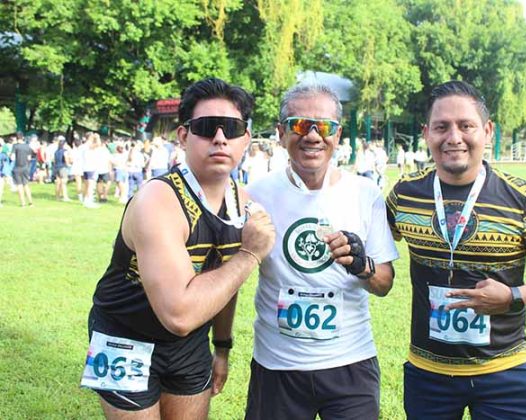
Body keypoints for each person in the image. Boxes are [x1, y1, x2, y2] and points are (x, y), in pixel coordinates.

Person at [80, 77, 276, 419]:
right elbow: (179, 315)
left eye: (231, 128)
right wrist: (249, 254)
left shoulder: (241, 202)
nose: (220, 138)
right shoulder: (157, 200)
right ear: (183, 136)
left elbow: (225, 283)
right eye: (206, 127)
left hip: (190, 343)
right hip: (125, 334)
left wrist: (222, 347)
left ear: (245, 139)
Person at [385, 80, 526, 420]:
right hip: (428, 373)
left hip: (504, 371)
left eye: (466, 126)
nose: (454, 137)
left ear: (487, 131)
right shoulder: (406, 194)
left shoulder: (520, 197)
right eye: (441, 127)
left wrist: (513, 296)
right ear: (426, 133)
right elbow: (374, 246)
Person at [245, 83, 398, 420]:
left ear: (337, 135)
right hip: (277, 366)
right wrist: (222, 346)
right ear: (281, 133)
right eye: (300, 124)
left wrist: (361, 264)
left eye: (324, 127)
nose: (313, 136)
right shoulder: (255, 196)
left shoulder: (365, 193)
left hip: (350, 364)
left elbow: (385, 283)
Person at [11, 133, 34, 207]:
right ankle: (30, 202)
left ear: (16, 138)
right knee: (26, 185)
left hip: (17, 167)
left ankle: (23, 203)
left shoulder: (15, 146)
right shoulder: (27, 146)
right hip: (25, 167)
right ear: (23, 137)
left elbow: (12, 158)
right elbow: (29, 158)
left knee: (19, 185)